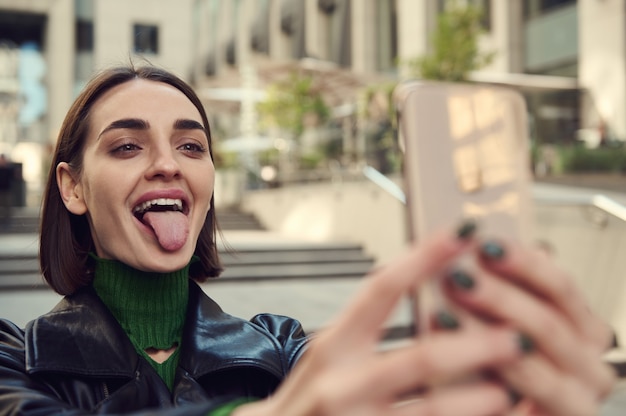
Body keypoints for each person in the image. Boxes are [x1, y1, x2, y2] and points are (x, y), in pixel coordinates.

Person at [0, 64, 616, 415]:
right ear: (73, 187)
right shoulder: (14, 361)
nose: (168, 164)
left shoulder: (283, 345)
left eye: (192, 146)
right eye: (128, 146)